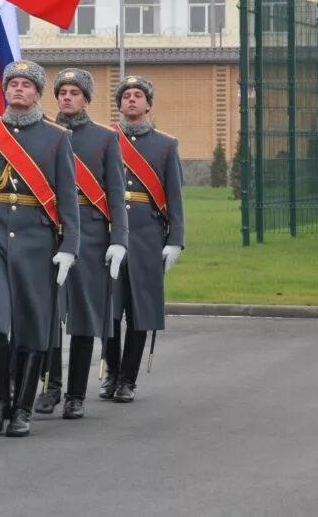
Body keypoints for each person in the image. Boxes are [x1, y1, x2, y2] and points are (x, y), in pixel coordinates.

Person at [0, 60, 79, 437]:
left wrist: (69, 246)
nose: (18, 90)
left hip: (37, 238)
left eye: (26, 85)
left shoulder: (57, 138)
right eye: (12, 84)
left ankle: (22, 407)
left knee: (32, 325)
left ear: (37, 93)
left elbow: (67, 197)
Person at [38, 68, 128, 420]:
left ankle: (75, 394)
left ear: (87, 99)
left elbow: (117, 195)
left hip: (91, 234)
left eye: (75, 92)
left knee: (83, 318)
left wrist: (119, 239)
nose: (67, 97)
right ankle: (51, 387)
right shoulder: (43, 134)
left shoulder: (105, 139)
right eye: (62, 92)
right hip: (50, 229)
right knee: (49, 315)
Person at [104, 75, 185, 404]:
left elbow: (174, 196)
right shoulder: (106, 139)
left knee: (139, 310)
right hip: (111, 233)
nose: (132, 100)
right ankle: (111, 372)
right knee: (108, 308)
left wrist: (175, 240)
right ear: (120, 104)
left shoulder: (165, 145)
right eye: (126, 96)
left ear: (148, 104)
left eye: (138, 95)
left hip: (147, 235)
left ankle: (128, 379)